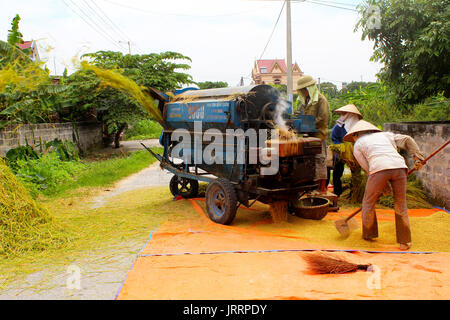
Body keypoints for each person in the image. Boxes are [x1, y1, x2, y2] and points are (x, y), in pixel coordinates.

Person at [343, 120, 425, 250]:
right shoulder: (386, 135)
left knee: (368, 203)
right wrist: (418, 157)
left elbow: (368, 168)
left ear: (356, 134)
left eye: (353, 136)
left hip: (378, 169)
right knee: (401, 204)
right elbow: (407, 139)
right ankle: (404, 242)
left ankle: (369, 235)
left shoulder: (358, 144)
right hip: (400, 167)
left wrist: (383, 185)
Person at [295, 75, 329, 193]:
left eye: (304, 89)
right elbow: (299, 114)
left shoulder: (321, 100)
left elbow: (323, 117)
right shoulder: (305, 101)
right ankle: (311, 187)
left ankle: (322, 188)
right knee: (309, 162)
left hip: (318, 136)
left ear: (309, 88)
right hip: (307, 136)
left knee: (320, 160)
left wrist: (308, 125)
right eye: (302, 90)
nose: (303, 92)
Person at [330, 104, 363, 196]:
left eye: (344, 114)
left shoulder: (360, 127)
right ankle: (337, 193)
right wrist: (341, 147)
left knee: (356, 174)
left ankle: (355, 193)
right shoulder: (338, 127)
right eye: (342, 114)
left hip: (355, 153)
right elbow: (334, 138)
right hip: (341, 152)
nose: (342, 116)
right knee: (337, 173)